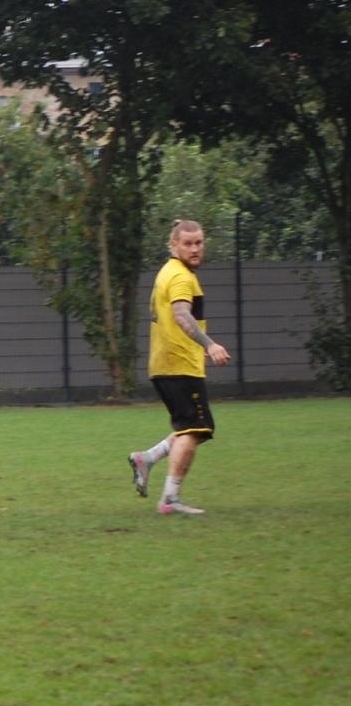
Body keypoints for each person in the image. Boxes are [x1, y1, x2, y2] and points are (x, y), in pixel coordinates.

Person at [127, 219, 231, 515]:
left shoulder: (169, 272)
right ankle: (170, 499)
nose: (195, 249)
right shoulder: (181, 277)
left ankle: (146, 458)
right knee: (196, 428)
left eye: (199, 242)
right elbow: (182, 315)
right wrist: (209, 344)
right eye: (188, 243)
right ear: (174, 245)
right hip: (178, 364)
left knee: (193, 428)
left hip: (167, 363)